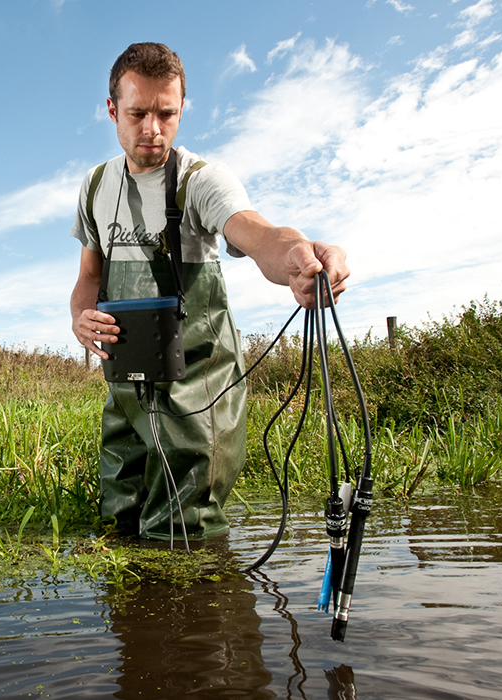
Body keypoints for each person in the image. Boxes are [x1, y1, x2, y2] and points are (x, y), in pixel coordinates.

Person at [70, 42, 351, 541]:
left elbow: (256, 231)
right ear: (112, 110)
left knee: (186, 538)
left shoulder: (201, 181)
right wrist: (79, 315)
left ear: (182, 110)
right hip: (126, 392)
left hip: (200, 392)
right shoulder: (95, 187)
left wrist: (293, 256)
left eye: (166, 113)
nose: (152, 129)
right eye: (137, 113)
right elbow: (90, 276)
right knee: (121, 525)